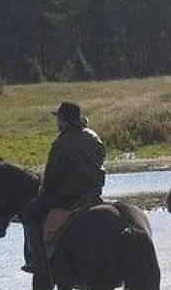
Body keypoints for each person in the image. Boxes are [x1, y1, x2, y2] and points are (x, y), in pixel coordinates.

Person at [19, 101, 106, 273]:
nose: (57, 122)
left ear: (63, 120)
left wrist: (42, 192)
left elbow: (52, 178)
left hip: (69, 197)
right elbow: (101, 160)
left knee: (27, 215)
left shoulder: (60, 144)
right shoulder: (94, 136)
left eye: (58, 118)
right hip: (95, 192)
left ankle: (39, 260)